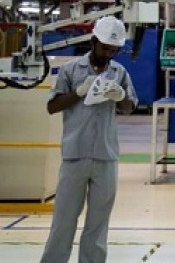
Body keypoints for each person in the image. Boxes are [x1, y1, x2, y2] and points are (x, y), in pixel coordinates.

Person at [40, 16, 137, 263]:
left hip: (106, 157)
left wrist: (120, 96)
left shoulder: (119, 72)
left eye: (114, 50)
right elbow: (52, 106)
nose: (109, 54)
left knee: (98, 226)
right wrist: (78, 92)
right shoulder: (70, 70)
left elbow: (128, 108)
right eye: (105, 48)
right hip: (75, 155)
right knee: (63, 222)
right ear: (93, 41)